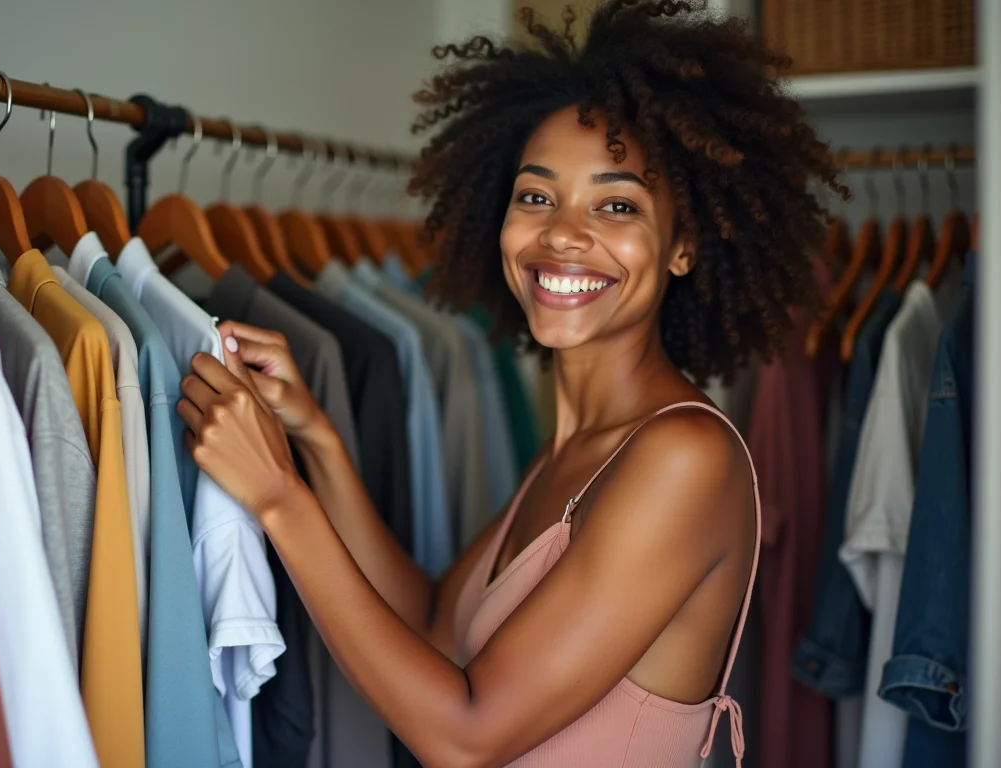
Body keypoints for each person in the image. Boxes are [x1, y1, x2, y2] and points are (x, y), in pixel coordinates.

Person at [176, 1, 842, 765]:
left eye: (616, 204)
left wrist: (277, 498)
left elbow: (465, 735)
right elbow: (432, 626)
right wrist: (315, 441)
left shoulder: (684, 458)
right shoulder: (578, 450)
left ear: (683, 246)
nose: (562, 232)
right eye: (536, 195)